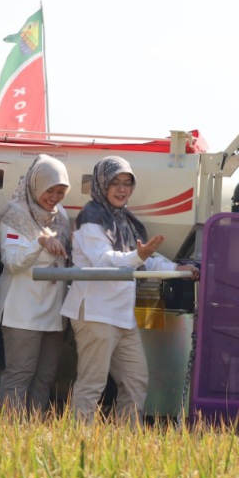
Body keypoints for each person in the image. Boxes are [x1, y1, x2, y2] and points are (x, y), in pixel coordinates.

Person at [61, 156, 198, 424]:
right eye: (115, 183)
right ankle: (76, 444)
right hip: (95, 313)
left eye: (127, 183)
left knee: (136, 381)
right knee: (92, 385)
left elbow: (146, 259)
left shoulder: (128, 220)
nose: (122, 189)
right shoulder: (90, 216)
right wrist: (139, 255)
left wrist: (178, 270)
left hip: (123, 316)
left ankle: (125, 444)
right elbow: (103, 259)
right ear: (101, 184)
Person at [0, 155, 71, 415]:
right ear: (36, 185)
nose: (55, 197)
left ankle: (34, 434)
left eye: (61, 191)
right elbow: (12, 263)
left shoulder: (62, 217)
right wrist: (39, 242)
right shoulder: (14, 216)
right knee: (19, 374)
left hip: (54, 310)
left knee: (46, 376)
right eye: (50, 190)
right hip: (21, 310)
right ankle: (10, 437)